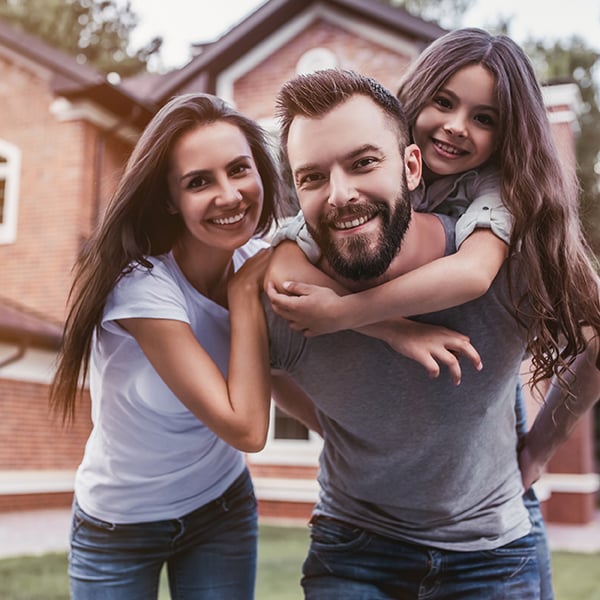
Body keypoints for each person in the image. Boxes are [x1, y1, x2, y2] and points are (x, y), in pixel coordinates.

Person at [268, 29, 600, 597]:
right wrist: (376, 360)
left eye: (485, 118)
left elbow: (472, 274)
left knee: (503, 459)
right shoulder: (350, 192)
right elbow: (276, 271)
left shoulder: (503, 195)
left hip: (488, 507)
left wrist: (541, 448)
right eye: (443, 102)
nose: (456, 126)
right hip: (359, 531)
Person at [49, 93, 290, 599]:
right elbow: (246, 427)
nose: (230, 195)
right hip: (119, 526)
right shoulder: (140, 286)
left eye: (239, 169)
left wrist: (401, 332)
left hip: (220, 509)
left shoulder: (263, 259)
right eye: (199, 182)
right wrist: (244, 293)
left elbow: (297, 358)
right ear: (169, 200)